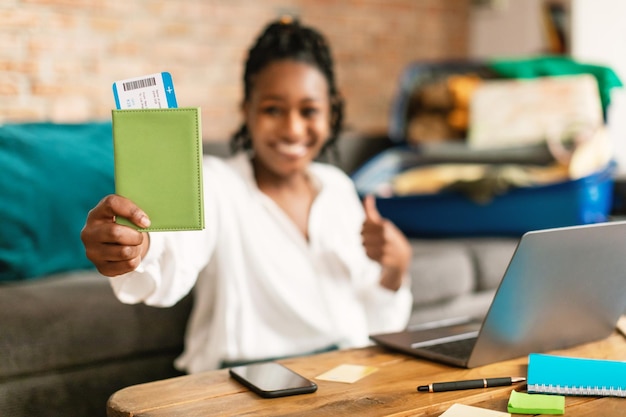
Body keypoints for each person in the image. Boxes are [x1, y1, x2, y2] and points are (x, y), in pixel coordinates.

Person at [81, 17, 413, 373]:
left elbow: (375, 324)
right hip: (242, 380)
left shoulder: (337, 187)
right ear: (247, 112)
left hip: (342, 375)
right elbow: (172, 250)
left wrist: (395, 268)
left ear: (331, 113)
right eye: (273, 110)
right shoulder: (216, 183)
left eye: (309, 111)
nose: (292, 129)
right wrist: (138, 248)